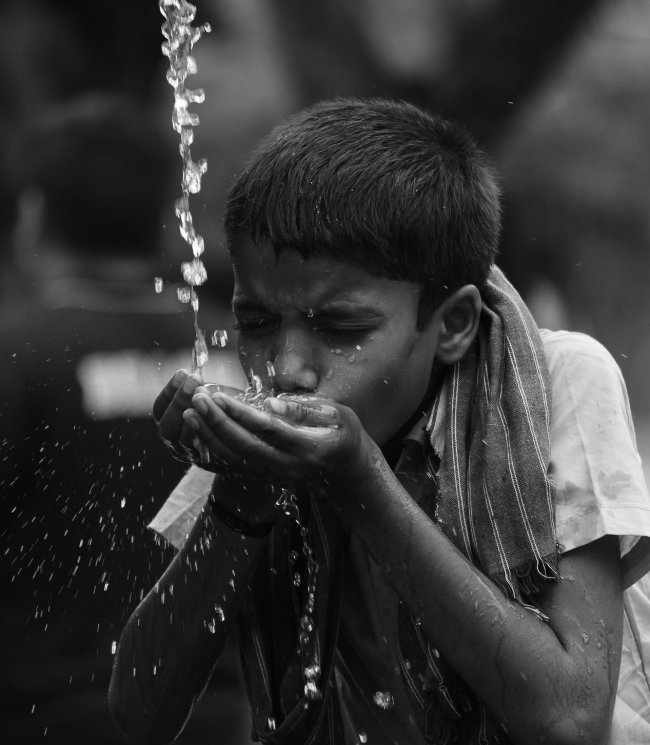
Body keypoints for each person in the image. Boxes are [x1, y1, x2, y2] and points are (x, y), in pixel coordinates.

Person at [108, 98, 650, 745]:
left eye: (340, 328)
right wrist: (241, 494)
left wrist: (361, 481)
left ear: (450, 324)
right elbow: (141, 714)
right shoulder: (273, 414)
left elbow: (569, 719)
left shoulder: (555, 381)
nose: (287, 368)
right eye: (256, 323)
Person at [0, 94, 247, 744]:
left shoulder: (20, 353)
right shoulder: (235, 350)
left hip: (47, 716)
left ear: (33, 214)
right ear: (165, 217)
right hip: (221, 715)